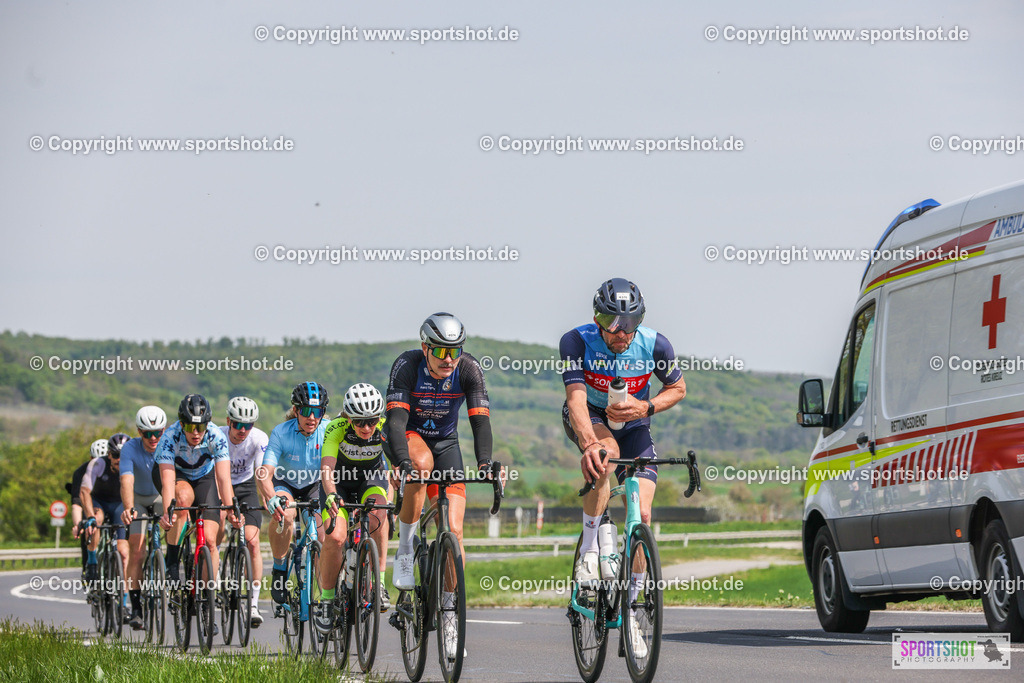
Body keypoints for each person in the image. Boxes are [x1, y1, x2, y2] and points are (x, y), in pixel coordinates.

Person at [560, 278, 686, 658]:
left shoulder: (656, 345)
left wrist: (646, 407)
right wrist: (589, 444)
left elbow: (678, 388)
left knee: (642, 515)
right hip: (591, 417)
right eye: (611, 323)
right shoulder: (576, 341)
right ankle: (589, 551)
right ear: (597, 319)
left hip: (635, 423)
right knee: (607, 454)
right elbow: (576, 400)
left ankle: (630, 611)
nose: (620, 332)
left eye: (629, 323)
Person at [384, 312, 494, 657]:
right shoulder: (407, 365)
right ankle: (405, 549)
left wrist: (485, 463)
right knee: (421, 465)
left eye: (455, 351)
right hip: (408, 437)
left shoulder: (469, 369)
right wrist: (401, 461)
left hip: (447, 444)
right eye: (441, 351)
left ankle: (449, 614)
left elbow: (480, 423)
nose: (449, 359)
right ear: (425, 348)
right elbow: (395, 421)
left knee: (455, 533)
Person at [316, 383, 391, 631]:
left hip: (371, 479)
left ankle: (379, 583)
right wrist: (331, 494)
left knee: (380, 513)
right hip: (339, 482)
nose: (367, 428)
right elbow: (327, 467)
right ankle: (327, 601)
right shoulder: (335, 428)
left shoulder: (385, 428)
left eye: (371, 421)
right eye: (359, 422)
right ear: (348, 418)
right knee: (336, 537)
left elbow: (396, 464)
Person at [157, 394, 238, 599]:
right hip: (177, 475)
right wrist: (168, 512)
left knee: (210, 541)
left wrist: (230, 509)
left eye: (200, 427)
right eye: (190, 427)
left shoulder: (216, 436)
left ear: (207, 425)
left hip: (204, 476)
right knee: (183, 499)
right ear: (181, 424)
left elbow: (223, 478)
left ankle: (205, 597)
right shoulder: (170, 437)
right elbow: (167, 480)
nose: (195, 433)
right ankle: (172, 560)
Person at [257, 382, 330, 606]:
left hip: (313, 485)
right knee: (286, 514)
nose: (312, 417)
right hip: (285, 483)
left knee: (322, 535)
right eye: (306, 411)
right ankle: (279, 567)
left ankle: (325, 598)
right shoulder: (281, 432)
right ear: (296, 410)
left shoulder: (328, 431)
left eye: (317, 412)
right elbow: (264, 473)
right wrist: (271, 498)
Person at [216, 396, 268, 627]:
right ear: (228, 421)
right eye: (237, 424)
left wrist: (267, 497)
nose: (243, 430)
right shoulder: (217, 436)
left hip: (245, 487)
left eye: (248, 425)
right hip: (218, 483)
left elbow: (261, 473)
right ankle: (216, 566)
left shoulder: (258, 438)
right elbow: (215, 474)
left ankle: (253, 604)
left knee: (253, 542)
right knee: (217, 520)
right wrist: (226, 506)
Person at [119, 405, 168, 630]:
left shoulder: (169, 444)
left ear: (164, 430)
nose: (153, 438)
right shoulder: (129, 448)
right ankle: (136, 607)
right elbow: (126, 480)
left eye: (158, 432)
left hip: (160, 496)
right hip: (138, 498)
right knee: (137, 550)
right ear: (139, 432)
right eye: (148, 434)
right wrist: (129, 508)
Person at [80, 433, 131, 583]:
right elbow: (84, 491)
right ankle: (92, 562)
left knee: (123, 552)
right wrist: (90, 517)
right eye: (115, 455)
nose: (119, 460)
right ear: (109, 455)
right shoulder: (98, 464)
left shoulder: (132, 465)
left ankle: (124, 596)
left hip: (119, 504)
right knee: (96, 520)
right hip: (99, 502)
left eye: (123, 455)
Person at [67, 439, 107, 569]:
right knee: (87, 528)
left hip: (110, 505)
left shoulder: (118, 468)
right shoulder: (80, 473)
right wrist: (78, 524)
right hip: (91, 506)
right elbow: (77, 503)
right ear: (90, 459)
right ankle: (88, 566)